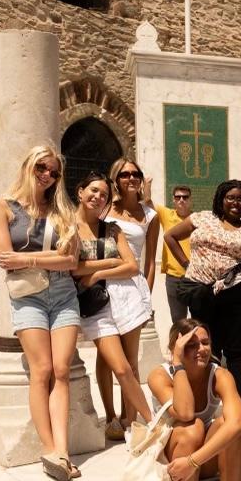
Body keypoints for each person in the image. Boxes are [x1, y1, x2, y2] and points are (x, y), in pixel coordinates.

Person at [0, 145, 80, 481]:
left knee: (62, 370)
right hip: (28, 297)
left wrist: (28, 259)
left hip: (63, 293)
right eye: (42, 167)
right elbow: (4, 257)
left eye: (54, 172)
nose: (47, 176)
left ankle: (64, 452)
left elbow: (70, 261)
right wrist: (43, 259)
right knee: (41, 370)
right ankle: (49, 448)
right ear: (29, 166)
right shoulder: (2, 207)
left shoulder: (61, 211)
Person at [164, 180, 241, 428]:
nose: (235, 203)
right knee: (205, 346)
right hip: (201, 289)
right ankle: (206, 403)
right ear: (220, 198)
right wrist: (188, 265)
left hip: (237, 289)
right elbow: (170, 236)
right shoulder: (202, 218)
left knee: (235, 347)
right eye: (230, 197)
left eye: (240, 199)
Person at [148, 319, 241, 481]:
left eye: (205, 343)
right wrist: (178, 365)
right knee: (191, 426)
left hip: (193, 461)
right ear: (176, 347)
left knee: (228, 424)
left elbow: (237, 423)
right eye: (191, 345)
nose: (201, 349)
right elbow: (184, 412)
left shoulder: (220, 375)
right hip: (171, 461)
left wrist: (193, 462)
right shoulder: (159, 376)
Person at [72, 173, 154, 436]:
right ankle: (114, 418)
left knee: (128, 366)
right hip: (94, 306)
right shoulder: (67, 227)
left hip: (123, 299)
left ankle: (141, 422)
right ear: (80, 192)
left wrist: (96, 273)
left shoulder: (112, 229)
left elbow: (131, 266)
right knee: (117, 366)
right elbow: (72, 267)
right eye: (93, 191)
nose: (98, 197)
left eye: (104, 194)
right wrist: (110, 262)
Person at [97, 158, 160, 442]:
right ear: (116, 179)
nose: (131, 178)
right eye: (124, 174)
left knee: (130, 360)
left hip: (133, 286)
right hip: (105, 283)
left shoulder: (150, 214)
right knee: (105, 354)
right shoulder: (106, 208)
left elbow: (149, 259)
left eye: (135, 173)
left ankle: (129, 417)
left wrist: (146, 293)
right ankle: (110, 415)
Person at [155, 184, 193, 324]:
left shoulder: (196, 219)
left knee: (199, 320)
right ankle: (179, 346)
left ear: (190, 200)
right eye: (178, 197)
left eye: (185, 197)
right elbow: (146, 202)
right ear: (173, 200)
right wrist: (147, 183)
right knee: (178, 321)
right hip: (174, 278)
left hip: (195, 277)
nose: (181, 200)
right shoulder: (167, 215)